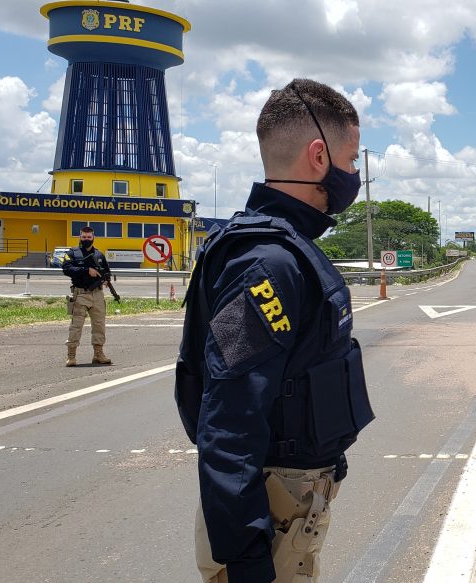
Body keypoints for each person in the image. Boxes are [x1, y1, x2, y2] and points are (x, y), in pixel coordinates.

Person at [175, 79, 375, 583]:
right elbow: (230, 417)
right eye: (351, 161)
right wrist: (246, 557)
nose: (354, 175)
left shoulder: (287, 249)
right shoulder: (266, 264)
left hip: (291, 505)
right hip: (271, 517)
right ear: (318, 155)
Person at [61, 225, 112, 366]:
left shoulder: (99, 255)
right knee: (76, 325)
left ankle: (98, 354)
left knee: (99, 325)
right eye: (84, 237)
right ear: (80, 237)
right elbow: (66, 269)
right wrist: (86, 270)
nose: (86, 239)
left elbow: (107, 271)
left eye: (89, 237)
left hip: (97, 294)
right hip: (81, 293)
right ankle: (71, 356)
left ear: (93, 237)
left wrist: (107, 279)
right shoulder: (72, 253)